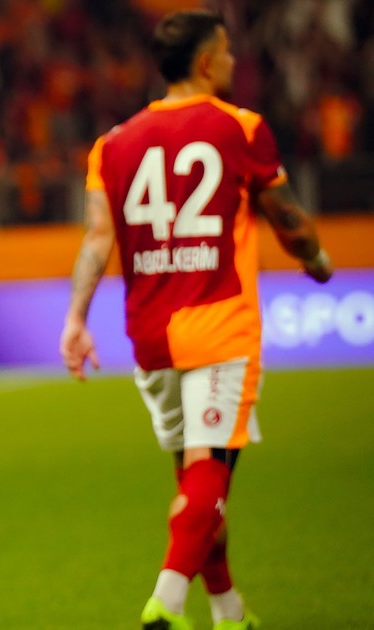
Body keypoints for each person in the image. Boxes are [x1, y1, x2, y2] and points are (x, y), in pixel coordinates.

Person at [59, 10, 333, 630]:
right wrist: (316, 259)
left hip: (151, 334)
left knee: (197, 484)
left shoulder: (112, 144)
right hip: (218, 322)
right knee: (209, 476)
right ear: (206, 62)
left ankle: (230, 611)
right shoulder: (240, 127)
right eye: (227, 52)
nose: (233, 61)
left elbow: (97, 238)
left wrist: (76, 317)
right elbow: (288, 220)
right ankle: (167, 602)